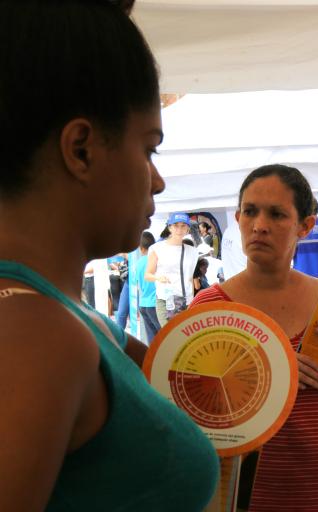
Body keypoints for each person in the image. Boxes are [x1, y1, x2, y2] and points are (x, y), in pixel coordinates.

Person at [0, 1, 218, 510]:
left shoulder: (71, 319)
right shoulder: (38, 335)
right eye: (149, 149)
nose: (158, 180)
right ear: (81, 149)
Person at [191, 164, 318, 511]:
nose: (260, 225)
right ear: (237, 218)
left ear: (306, 226)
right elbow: (190, 411)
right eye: (250, 212)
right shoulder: (209, 309)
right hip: (250, 494)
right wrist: (267, 376)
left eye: (277, 214)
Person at [144, 212, 198, 326]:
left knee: (185, 339)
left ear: (188, 228)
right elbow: (147, 275)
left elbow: (190, 278)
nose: (179, 229)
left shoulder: (192, 251)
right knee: (171, 337)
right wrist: (158, 278)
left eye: (183, 225)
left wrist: (192, 301)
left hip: (187, 302)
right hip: (166, 301)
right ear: (169, 227)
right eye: (176, 225)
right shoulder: (157, 248)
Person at [135, 231, 162, 343]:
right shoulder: (157, 259)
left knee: (152, 339)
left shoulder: (139, 262)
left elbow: (138, 286)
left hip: (143, 304)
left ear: (141, 248)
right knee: (164, 336)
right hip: (155, 304)